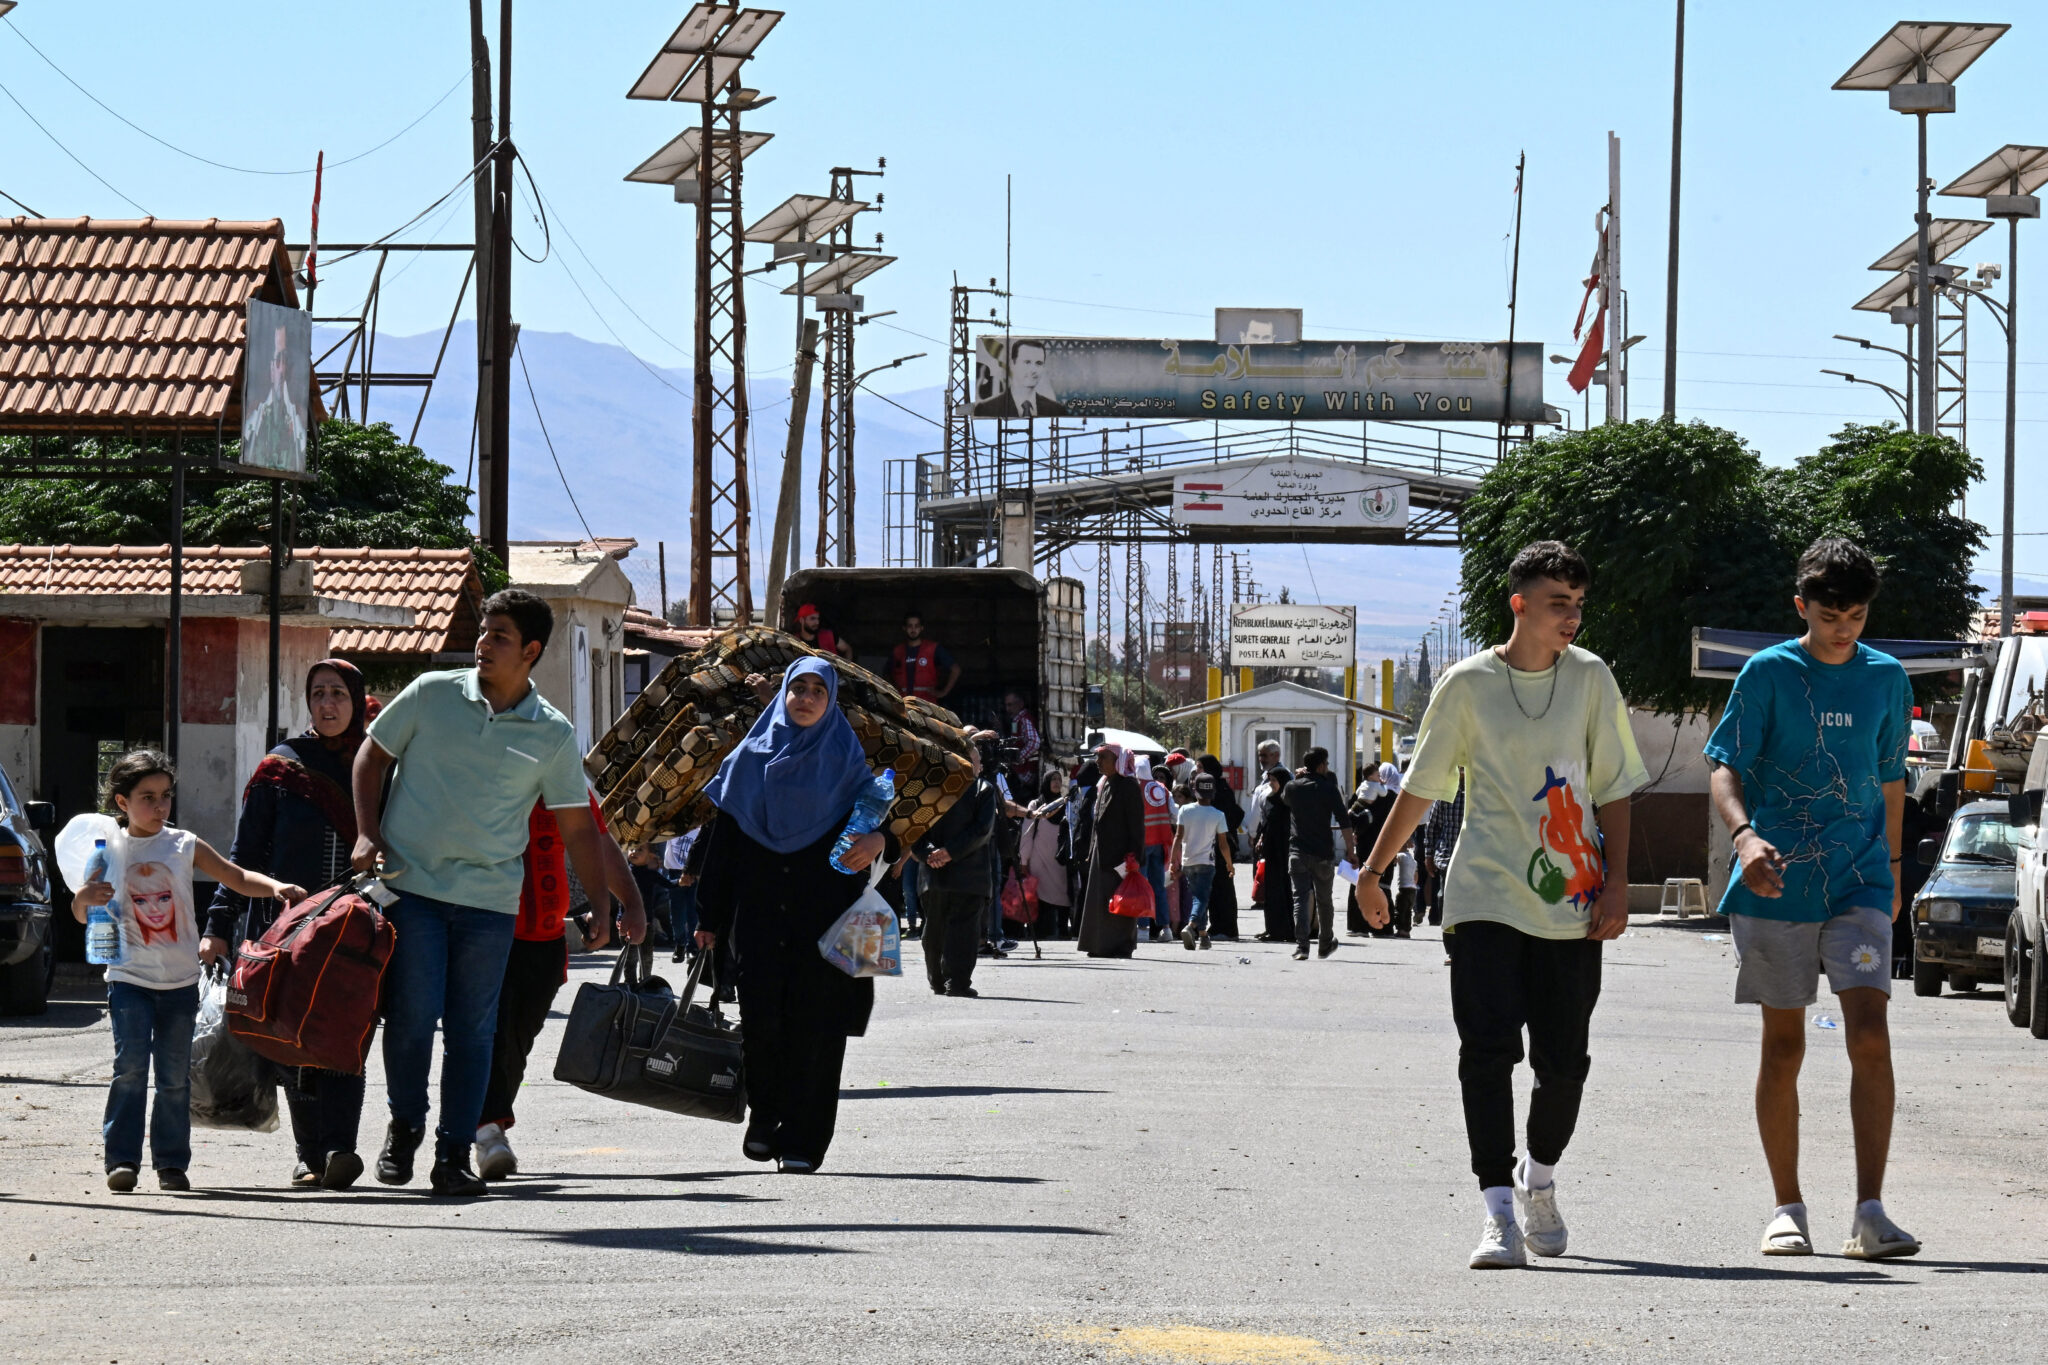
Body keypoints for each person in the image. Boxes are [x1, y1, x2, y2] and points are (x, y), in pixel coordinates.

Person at [1357, 540, 1647, 1270]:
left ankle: (1538, 1178)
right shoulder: (1466, 686)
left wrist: (1616, 884)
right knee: (1486, 1054)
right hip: (1483, 894)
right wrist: (1372, 869)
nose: (1572, 617)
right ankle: (1496, 1213)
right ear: (1520, 604)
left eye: (1578, 604)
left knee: (1565, 1064)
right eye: (1558, 604)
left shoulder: (1590, 679)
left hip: (1572, 901)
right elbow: (1421, 787)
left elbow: (1613, 785)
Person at [352, 588, 629, 1198]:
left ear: (530, 651)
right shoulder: (431, 694)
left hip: (489, 901)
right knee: (413, 1019)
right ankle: (405, 1125)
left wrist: (604, 905)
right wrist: (368, 834)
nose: (483, 643)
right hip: (412, 887)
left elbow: (577, 823)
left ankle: (453, 1154)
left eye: (499, 635)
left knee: (474, 1033)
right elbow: (371, 757)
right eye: (483, 631)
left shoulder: (552, 733)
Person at [1705, 538, 1917, 1260]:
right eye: (1830, 614)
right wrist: (1744, 838)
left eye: (1856, 615)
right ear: (1802, 606)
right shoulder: (1766, 674)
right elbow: (1724, 768)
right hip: (1775, 881)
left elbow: (1891, 779)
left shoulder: (1887, 679)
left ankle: (1871, 1211)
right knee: (1786, 1042)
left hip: (1858, 879)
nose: (1843, 628)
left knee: (1870, 1033)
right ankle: (1786, 1207)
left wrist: (1890, 869)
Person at [70, 750, 305, 1193]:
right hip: (128, 980)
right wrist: (84, 897)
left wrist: (275, 886)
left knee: (175, 1077)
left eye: (166, 797)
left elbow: (234, 876)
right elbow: (83, 914)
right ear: (122, 803)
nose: (160, 807)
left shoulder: (183, 844)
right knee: (130, 1068)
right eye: (148, 798)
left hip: (180, 983)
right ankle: (121, 1160)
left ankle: (171, 1164)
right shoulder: (107, 850)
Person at [693, 658, 894, 1171]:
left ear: (830, 703)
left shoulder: (849, 766)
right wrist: (709, 918)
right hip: (759, 920)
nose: (805, 699)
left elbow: (893, 831)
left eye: (816, 692)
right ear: (782, 694)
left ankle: (805, 1141)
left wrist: (880, 838)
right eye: (796, 689)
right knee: (762, 1026)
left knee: (818, 1031)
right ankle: (765, 1118)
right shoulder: (745, 763)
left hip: (828, 921)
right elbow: (723, 848)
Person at [202, 659, 374, 1190]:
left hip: (357, 928)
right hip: (286, 930)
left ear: (356, 700)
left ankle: (341, 1147)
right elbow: (243, 854)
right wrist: (218, 925)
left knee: (348, 1034)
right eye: (318, 693)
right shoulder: (281, 768)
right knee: (292, 1037)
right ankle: (310, 1154)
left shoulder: (378, 766)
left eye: (339, 694)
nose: (328, 704)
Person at [475, 797, 645, 1182]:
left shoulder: (563, 779)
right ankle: (485, 1131)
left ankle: (491, 1125)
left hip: (545, 937)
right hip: (484, 927)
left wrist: (629, 903)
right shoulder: (485, 762)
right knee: (490, 1034)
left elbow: (596, 839)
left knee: (517, 1041)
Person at [913, 742, 999, 997]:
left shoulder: (929, 787)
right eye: (974, 760)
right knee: (958, 929)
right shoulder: (982, 789)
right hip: (966, 875)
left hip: (938, 872)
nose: (978, 766)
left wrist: (932, 853)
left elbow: (913, 826)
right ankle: (955, 982)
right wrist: (940, 853)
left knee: (937, 927)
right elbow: (981, 831)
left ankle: (941, 980)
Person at [1282, 749, 1356, 961]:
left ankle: (1302, 946)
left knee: (1300, 899)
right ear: (1322, 765)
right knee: (1325, 900)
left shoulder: (1292, 787)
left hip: (1297, 852)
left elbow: (1286, 799)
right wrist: (1351, 852)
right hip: (1323, 853)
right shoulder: (1328, 788)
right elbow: (1344, 821)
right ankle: (1325, 944)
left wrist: (1297, 778)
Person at [1076, 745, 1146, 958]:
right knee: (1101, 901)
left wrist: (1134, 857)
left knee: (1121, 901)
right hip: (1102, 853)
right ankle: (1099, 945)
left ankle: (1120, 947)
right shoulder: (1105, 784)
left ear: (1117, 760)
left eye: (1103, 758)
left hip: (1120, 856)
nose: (1098, 762)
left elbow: (1136, 826)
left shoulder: (1129, 786)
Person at [1172, 775, 1233, 950]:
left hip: (1188, 862)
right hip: (1207, 862)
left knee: (1199, 897)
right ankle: (1191, 927)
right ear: (1212, 793)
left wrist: (1172, 861)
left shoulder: (1185, 811)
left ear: (1194, 791)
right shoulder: (1218, 815)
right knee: (1202, 897)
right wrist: (1230, 864)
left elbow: (1178, 837)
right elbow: (1223, 844)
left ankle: (1204, 936)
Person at [1195, 755, 1244, 941]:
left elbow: (1225, 817)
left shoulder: (1220, 790)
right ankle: (1217, 927)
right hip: (1210, 845)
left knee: (1222, 887)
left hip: (1221, 845)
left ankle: (1227, 928)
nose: (1198, 771)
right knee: (1214, 887)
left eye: (1200, 767)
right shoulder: (1211, 789)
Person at [1019, 771, 1072, 938]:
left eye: (1059, 779)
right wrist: (1024, 860)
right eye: (1053, 779)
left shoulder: (1066, 804)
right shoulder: (1036, 805)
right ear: (1046, 782)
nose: (1056, 783)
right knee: (1041, 897)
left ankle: (1062, 931)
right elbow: (1027, 834)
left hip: (1059, 861)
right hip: (1039, 860)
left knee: (1063, 895)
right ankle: (1040, 932)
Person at [1247, 765, 1295, 941]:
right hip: (1270, 849)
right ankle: (1272, 928)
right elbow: (1265, 822)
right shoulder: (1268, 799)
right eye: (1270, 780)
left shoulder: (1287, 801)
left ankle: (1287, 930)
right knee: (1270, 891)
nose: (1271, 784)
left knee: (1284, 889)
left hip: (1284, 849)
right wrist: (1260, 839)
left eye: (1274, 781)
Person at [1135, 756, 1178, 941]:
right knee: (1158, 887)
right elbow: (1175, 815)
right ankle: (1166, 928)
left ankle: (1143, 928)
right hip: (1161, 843)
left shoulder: (1136, 789)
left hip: (1143, 844)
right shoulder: (1162, 789)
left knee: (1143, 886)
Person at [971, 338, 1068, 418]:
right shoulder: (986, 409)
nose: (1033, 370)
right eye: (1027, 362)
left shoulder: (1057, 410)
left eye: (1038, 363)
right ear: (1013, 364)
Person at [888, 612, 961, 703]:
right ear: (904, 628)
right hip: (903, 704)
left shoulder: (933, 649)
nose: (913, 629)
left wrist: (943, 692)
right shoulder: (897, 651)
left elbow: (955, 669)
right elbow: (887, 674)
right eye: (910, 626)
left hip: (926, 704)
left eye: (916, 626)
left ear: (922, 628)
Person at [1002, 690, 1042, 795]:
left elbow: (1034, 742)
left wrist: (1018, 757)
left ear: (1020, 704)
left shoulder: (1025, 719)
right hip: (1021, 772)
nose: (1007, 709)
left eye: (1010, 705)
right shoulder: (1016, 720)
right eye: (1006, 705)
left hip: (1026, 773)